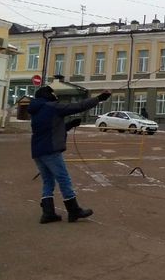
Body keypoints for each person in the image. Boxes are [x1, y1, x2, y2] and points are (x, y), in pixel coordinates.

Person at [28, 86, 111, 224]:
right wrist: (99, 98)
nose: (55, 95)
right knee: (64, 179)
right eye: (53, 93)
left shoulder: (36, 109)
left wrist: (70, 124)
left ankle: (48, 214)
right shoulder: (52, 107)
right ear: (47, 95)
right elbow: (78, 106)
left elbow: (50, 129)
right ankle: (74, 211)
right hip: (51, 150)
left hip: (38, 151)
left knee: (48, 181)